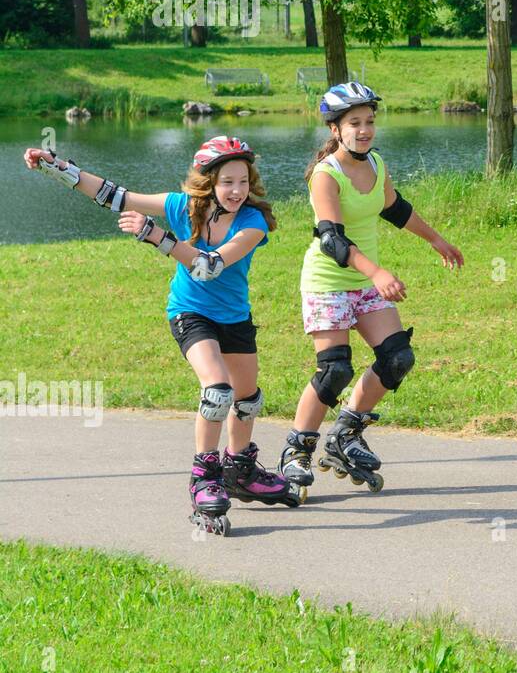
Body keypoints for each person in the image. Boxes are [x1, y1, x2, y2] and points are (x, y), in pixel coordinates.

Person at [24, 136, 284, 536]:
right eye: (228, 182)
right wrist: (55, 167)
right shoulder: (183, 208)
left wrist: (158, 238)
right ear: (209, 182)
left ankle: (240, 470)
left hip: (234, 318)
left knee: (248, 400)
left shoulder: (253, 222)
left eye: (244, 182)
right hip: (191, 313)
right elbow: (114, 195)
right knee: (218, 391)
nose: (237, 191)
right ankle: (205, 477)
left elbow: (209, 267)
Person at [280, 81, 463, 498]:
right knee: (335, 370)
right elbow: (331, 240)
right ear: (335, 129)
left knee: (398, 356)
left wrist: (436, 239)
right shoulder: (326, 175)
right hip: (328, 282)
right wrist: (378, 272)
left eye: (369, 122)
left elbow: (394, 208)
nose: (364, 130)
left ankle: (346, 433)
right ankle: (296, 451)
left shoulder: (375, 164)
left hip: (363, 284)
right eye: (354, 123)